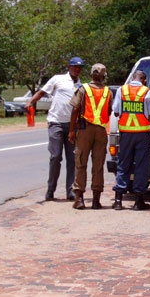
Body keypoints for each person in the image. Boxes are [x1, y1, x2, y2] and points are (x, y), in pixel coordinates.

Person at [25, 56, 84, 201]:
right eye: (74, 67)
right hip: (56, 122)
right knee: (55, 156)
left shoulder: (81, 86)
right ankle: (51, 190)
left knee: (72, 159)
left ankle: (70, 190)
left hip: (72, 126)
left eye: (79, 67)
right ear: (69, 67)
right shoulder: (58, 79)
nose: (77, 69)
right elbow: (42, 92)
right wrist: (30, 102)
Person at [68, 63, 113, 210]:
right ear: (104, 76)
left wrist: (71, 130)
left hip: (84, 129)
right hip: (100, 131)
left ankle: (79, 199)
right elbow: (109, 111)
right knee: (98, 165)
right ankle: (96, 200)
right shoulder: (108, 92)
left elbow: (75, 109)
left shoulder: (83, 89)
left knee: (80, 162)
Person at [112, 70, 150, 210]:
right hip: (142, 134)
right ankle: (138, 201)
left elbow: (116, 112)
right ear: (144, 80)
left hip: (125, 134)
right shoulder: (148, 92)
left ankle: (118, 200)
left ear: (133, 78)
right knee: (141, 166)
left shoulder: (122, 90)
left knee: (123, 164)